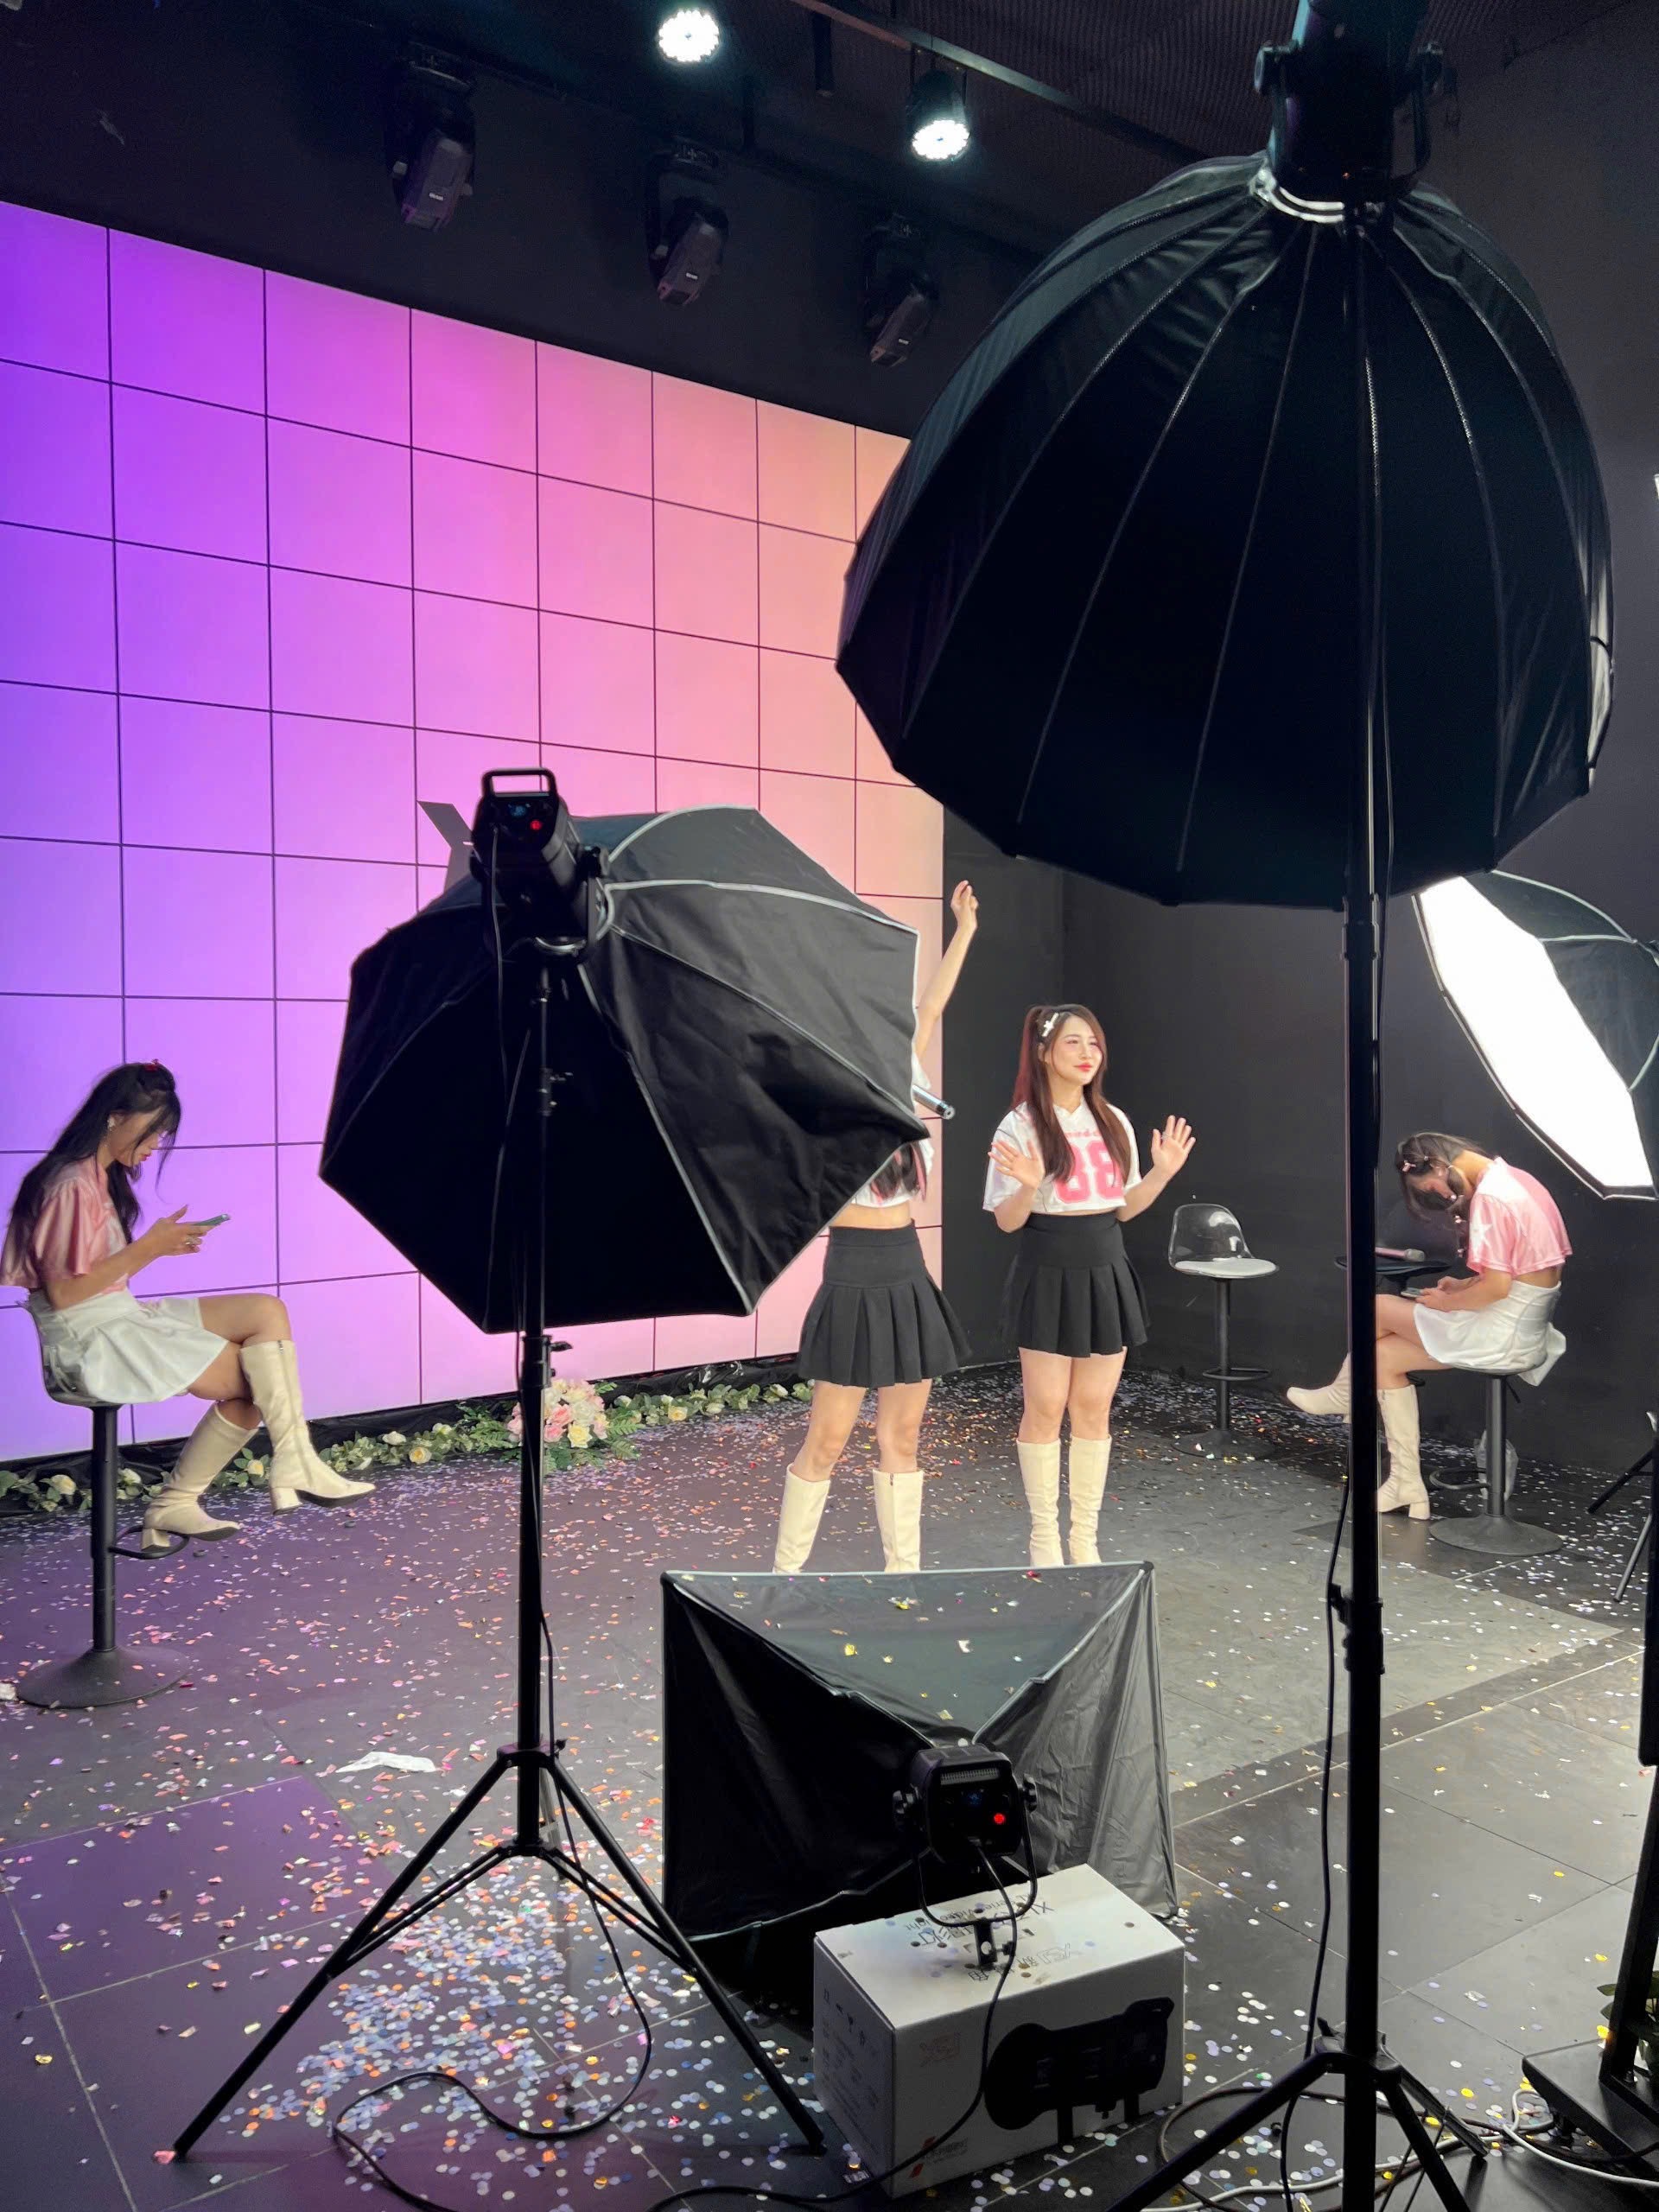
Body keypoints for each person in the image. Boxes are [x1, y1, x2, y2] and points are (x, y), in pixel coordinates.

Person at [1, 1062, 374, 1555]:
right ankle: (192, 1496)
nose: (156, 1146)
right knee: (253, 1383)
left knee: (266, 1310)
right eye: (154, 1131)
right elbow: (65, 1296)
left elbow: (95, 1279)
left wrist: (157, 1248)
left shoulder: (97, 1178)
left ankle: (293, 1459)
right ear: (115, 1117)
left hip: (115, 1314)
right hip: (87, 1340)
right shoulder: (71, 1183)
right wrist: (149, 1248)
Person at [772, 883, 979, 1576]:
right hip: (853, 1264)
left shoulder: (903, 1065)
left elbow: (932, 1006)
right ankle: (785, 1576)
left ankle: (903, 1574)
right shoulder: (820, 1081)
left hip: (906, 1265)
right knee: (827, 1440)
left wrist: (964, 930)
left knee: (905, 1435)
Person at [984, 1006, 1195, 1567]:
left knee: (1094, 1408)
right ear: (1044, 1052)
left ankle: (1084, 1538)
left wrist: (1163, 1173)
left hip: (1105, 1268)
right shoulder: (1020, 1125)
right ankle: (1044, 1537)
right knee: (1045, 1407)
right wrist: (1028, 1186)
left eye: (1094, 1044)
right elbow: (1006, 1220)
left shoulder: (1113, 1120)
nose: (1087, 1054)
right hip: (1047, 1267)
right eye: (1073, 1043)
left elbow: (1123, 1208)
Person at [1287, 1132, 1570, 1521]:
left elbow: (1497, 1288)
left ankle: (1345, 1393)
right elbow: (1525, 1274)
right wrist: (1463, 1286)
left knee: (1374, 1307)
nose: (1444, 1195)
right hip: (1522, 1326)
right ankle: (1406, 1485)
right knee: (1383, 1357)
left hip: (1502, 1331)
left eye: (1432, 1189)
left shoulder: (1491, 1197)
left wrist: (1447, 1302)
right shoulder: (1518, 1181)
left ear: (1438, 1166)